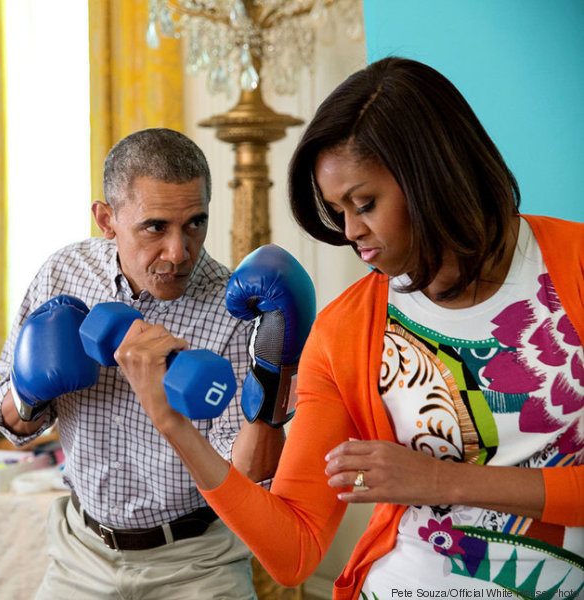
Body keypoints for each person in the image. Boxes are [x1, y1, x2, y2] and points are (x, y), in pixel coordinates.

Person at [117, 57, 584, 599]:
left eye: (364, 204)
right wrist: (176, 428)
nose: (351, 232)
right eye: (338, 211)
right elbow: (294, 547)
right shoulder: (347, 330)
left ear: (432, 174)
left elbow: (420, 479)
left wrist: (437, 480)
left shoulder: (570, 269)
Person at [0, 128, 287, 599]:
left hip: (197, 564)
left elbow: (249, 477)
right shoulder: (64, 273)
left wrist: (277, 369)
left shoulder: (236, 309)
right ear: (107, 220)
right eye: (156, 227)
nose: (179, 252)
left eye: (195, 223)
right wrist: (28, 391)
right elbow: (8, 424)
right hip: (80, 556)